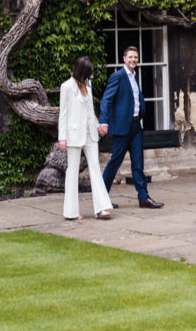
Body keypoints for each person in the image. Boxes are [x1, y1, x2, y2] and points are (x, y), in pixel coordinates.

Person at [100, 44, 163, 208]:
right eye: (130, 57)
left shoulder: (134, 76)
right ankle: (101, 198)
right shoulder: (118, 76)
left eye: (136, 57)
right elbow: (106, 99)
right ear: (124, 59)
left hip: (136, 127)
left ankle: (143, 197)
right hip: (122, 128)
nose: (133, 59)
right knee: (114, 163)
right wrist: (104, 121)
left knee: (138, 164)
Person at [58, 56, 113, 221]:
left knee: (95, 168)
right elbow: (63, 113)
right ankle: (71, 212)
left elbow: (90, 111)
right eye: (88, 73)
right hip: (73, 134)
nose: (90, 76)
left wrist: (98, 125)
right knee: (72, 171)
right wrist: (62, 137)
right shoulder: (66, 87)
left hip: (90, 134)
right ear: (81, 70)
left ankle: (101, 208)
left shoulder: (88, 85)